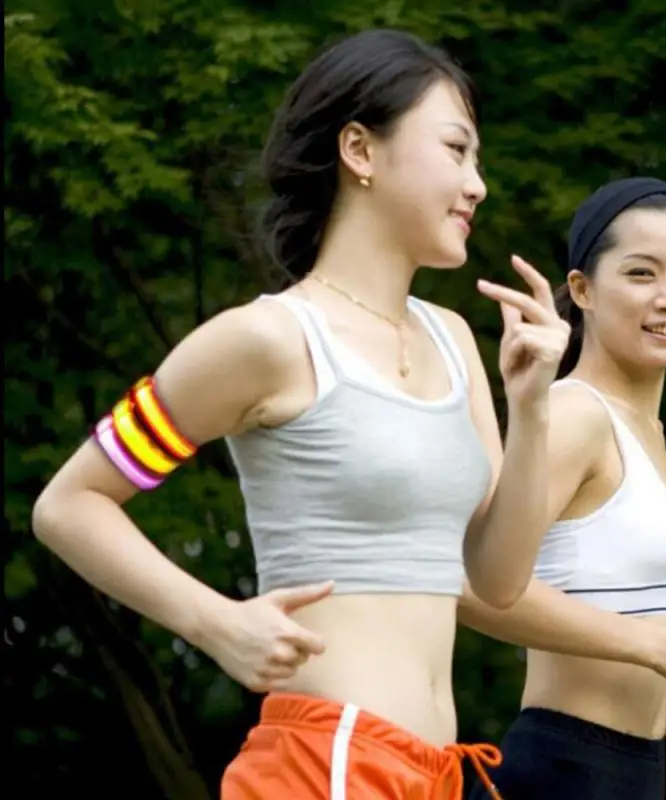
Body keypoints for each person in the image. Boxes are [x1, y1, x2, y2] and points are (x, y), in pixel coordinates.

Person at [30, 29, 571, 800]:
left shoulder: (453, 340)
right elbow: (70, 504)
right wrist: (215, 623)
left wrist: (533, 406)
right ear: (360, 150)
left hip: (436, 772)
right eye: (456, 150)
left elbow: (498, 578)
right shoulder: (269, 340)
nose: (477, 184)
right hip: (325, 763)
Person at [462, 177, 666, 800]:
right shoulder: (574, 414)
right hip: (560, 770)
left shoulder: (647, 431)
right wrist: (651, 646)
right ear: (583, 289)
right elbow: (468, 582)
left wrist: (656, 689)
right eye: (642, 274)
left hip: (630, 768)